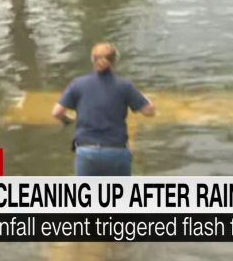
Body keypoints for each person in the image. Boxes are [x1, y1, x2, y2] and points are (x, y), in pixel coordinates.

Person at [51, 43, 155, 176]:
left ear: (92, 59)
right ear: (114, 60)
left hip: (86, 152)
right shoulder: (124, 85)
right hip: (116, 151)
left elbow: (56, 112)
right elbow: (149, 111)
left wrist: (66, 120)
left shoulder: (78, 84)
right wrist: (144, 97)